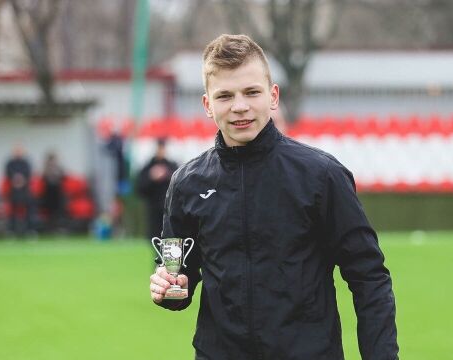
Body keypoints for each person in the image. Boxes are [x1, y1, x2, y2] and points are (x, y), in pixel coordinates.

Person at [149, 34, 398, 359]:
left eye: (251, 92)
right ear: (208, 105)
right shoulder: (185, 184)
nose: (240, 106)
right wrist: (168, 289)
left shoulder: (321, 175)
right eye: (225, 95)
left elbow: (369, 277)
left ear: (273, 95)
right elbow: (178, 280)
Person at [135, 138, 178, 240]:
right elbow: (140, 189)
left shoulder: (172, 166)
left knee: (170, 236)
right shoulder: (148, 167)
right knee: (155, 237)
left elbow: (179, 185)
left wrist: (167, 175)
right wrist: (151, 177)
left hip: (170, 208)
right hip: (153, 209)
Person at [4, 144, 34, 237]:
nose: (18, 152)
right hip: (13, 191)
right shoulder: (10, 163)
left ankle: (30, 230)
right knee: (12, 209)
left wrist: (22, 181)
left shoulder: (26, 163)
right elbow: (8, 174)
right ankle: (11, 230)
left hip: (25, 191)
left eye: (20, 150)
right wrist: (15, 180)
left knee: (30, 207)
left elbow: (28, 175)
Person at [41, 151, 65, 232]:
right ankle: (50, 228)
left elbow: (63, 176)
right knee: (50, 211)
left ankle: (58, 227)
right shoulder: (46, 168)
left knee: (58, 211)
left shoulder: (58, 167)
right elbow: (44, 178)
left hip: (57, 193)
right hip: (49, 193)